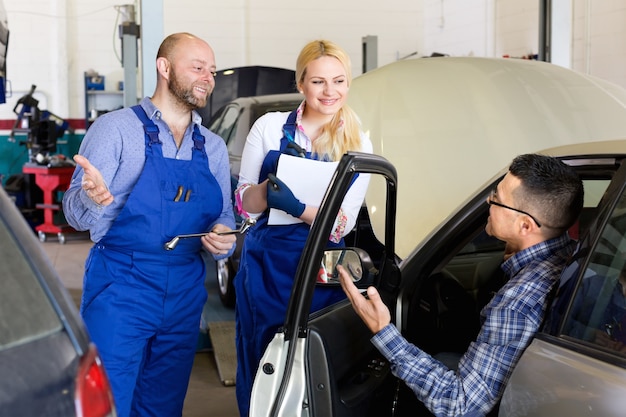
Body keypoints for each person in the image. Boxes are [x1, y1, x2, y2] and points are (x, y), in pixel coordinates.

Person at [62, 32, 236, 417]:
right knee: (107, 400)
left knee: (163, 402)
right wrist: (90, 198)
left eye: (212, 70)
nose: (208, 77)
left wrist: (226, 240)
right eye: (197, 67)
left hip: (186, 290)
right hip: (121, 285)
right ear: (164, 67)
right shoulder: (115, 130)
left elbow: (224, 217)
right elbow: (73, 215)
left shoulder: (213, 147)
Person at [339, 153, 584, 417]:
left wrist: (383, 331)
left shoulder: (517, 303)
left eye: (497, 200)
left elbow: (460, 406)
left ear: (525, 225)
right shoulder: (571, 256)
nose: (489, 202)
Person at [233, 39, 373, 416]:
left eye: (339, 81)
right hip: (266, 267)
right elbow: (242, 204)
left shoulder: (358, 141)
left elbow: (342, 223)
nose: (330, 92)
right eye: (318, 82)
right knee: (262, 354)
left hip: (322, 271)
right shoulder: (269, 127)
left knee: (313, 360)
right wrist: (264, 193)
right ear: (300, 84)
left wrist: (296, 206)